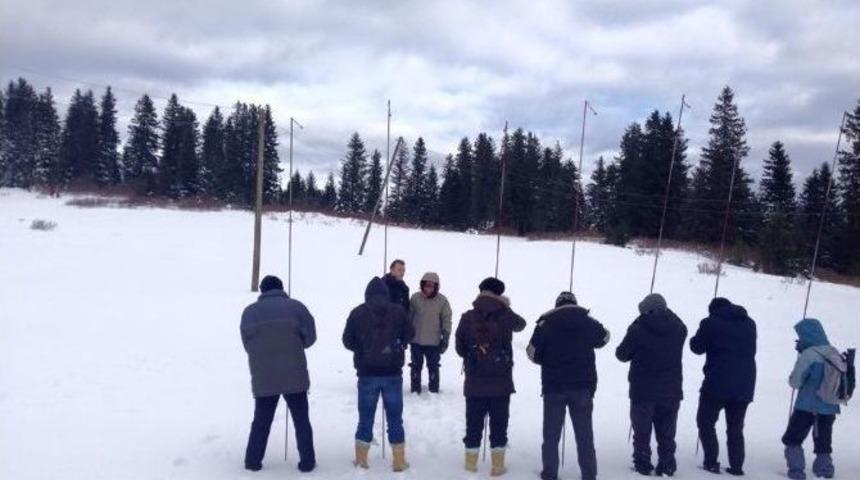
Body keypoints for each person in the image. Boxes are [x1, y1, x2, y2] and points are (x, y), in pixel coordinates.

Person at [527, 291, 610, 480]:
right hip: (583, 387)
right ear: (575, 303)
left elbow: (532, 353)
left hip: (553, 388)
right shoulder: (587, 322)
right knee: (585, 436)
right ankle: (589, 475)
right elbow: (605, 338)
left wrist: (545, 360)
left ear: (557, 305)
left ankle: (550, 473)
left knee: (551, 436)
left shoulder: (545, 324)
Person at [240, 275, 317, 473]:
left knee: (261, 421)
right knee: (301, 420)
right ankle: (307, 462)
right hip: (295, 374)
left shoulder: (249, 312)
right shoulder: (297, 307)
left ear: (262, 290)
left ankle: (253, 461)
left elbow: (247, 344)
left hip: (264, 376)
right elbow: (310, 338)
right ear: (281, 288)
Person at [455, 277, 526, 476]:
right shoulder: (505, 315)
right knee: (499, 425)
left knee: (473, 424)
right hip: (501, 383)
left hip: (474, 382)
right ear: (499, 294)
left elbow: (460, 348)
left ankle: (470, 465)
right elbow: (522, 324)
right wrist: (505, 307)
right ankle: (497, 466)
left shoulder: (467, 316)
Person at [342, 276, 414, 471]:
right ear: (386, 294)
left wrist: (362, 348)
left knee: (365, 418)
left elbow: (347, 340)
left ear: (367, 295)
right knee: (395, 418)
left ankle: (362, 459)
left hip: (366, 374)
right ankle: (398, 460)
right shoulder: (398, 311)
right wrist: (399, 344)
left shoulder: (357, 313)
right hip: (392, 373)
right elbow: (411, 333)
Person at [616, 293, 687, 477]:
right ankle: (667, 464)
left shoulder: (638, 329)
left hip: (643, 390)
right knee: (667, 432)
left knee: (642, 431)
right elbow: (679, 326)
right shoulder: (679, 328)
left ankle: (642, 463)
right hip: (671, 390)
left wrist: (636, 323)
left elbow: (622, 354)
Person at [690, 297, 757, 476]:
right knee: (735, 427)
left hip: (717, 381)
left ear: (713, 310)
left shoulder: (711, 322)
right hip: (745, 382)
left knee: (705, 421)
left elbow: (697, 347)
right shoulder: (749, 323)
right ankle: (736, 467)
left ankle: (711, 462)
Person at [782, 318, 847, 480]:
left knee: (793, 438)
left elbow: (795, 381)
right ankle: (824, 470)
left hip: (806, 405)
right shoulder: (834, 352)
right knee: (823, 440)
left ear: (806, 335)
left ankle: (797, 471)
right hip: (830, 406)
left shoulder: (808, 355)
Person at [408, 272, 453, 394]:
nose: (428, 288)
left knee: (433, 366)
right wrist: (406, 333)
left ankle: (433, 389)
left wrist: (446, 337)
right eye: (426, 285)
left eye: (431, 286)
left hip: (434, 341)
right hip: (416, 340)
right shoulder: (415, 298)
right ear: (422, 285)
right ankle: (415, 389)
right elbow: (409, 317)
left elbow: (446, 319)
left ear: (436, 287)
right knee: (416, 366)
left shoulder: (442, 301)